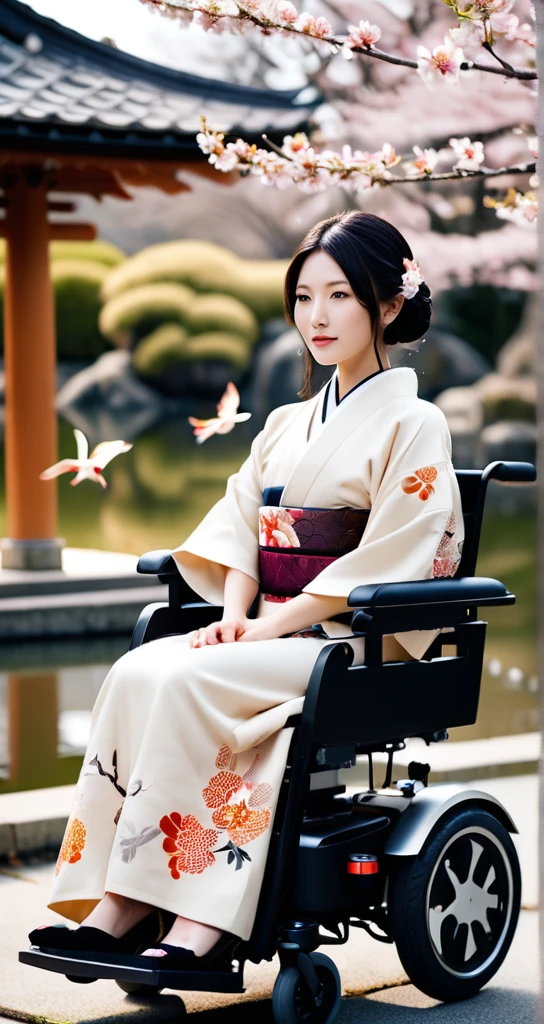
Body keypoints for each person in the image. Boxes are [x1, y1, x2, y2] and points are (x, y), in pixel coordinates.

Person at [30, 211, 464, 973]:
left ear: (388, 307)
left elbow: (397, 552)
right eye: (303, 297)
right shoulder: (286, 422)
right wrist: (236, 617)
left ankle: (195, 918)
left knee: (194, 679)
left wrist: (269, 630)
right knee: (141, 669)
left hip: (345, 640)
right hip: (270, 632)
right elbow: (240, 528)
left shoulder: (415, 422)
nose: (317, 317)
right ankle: (122, 896)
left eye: (339, 296)